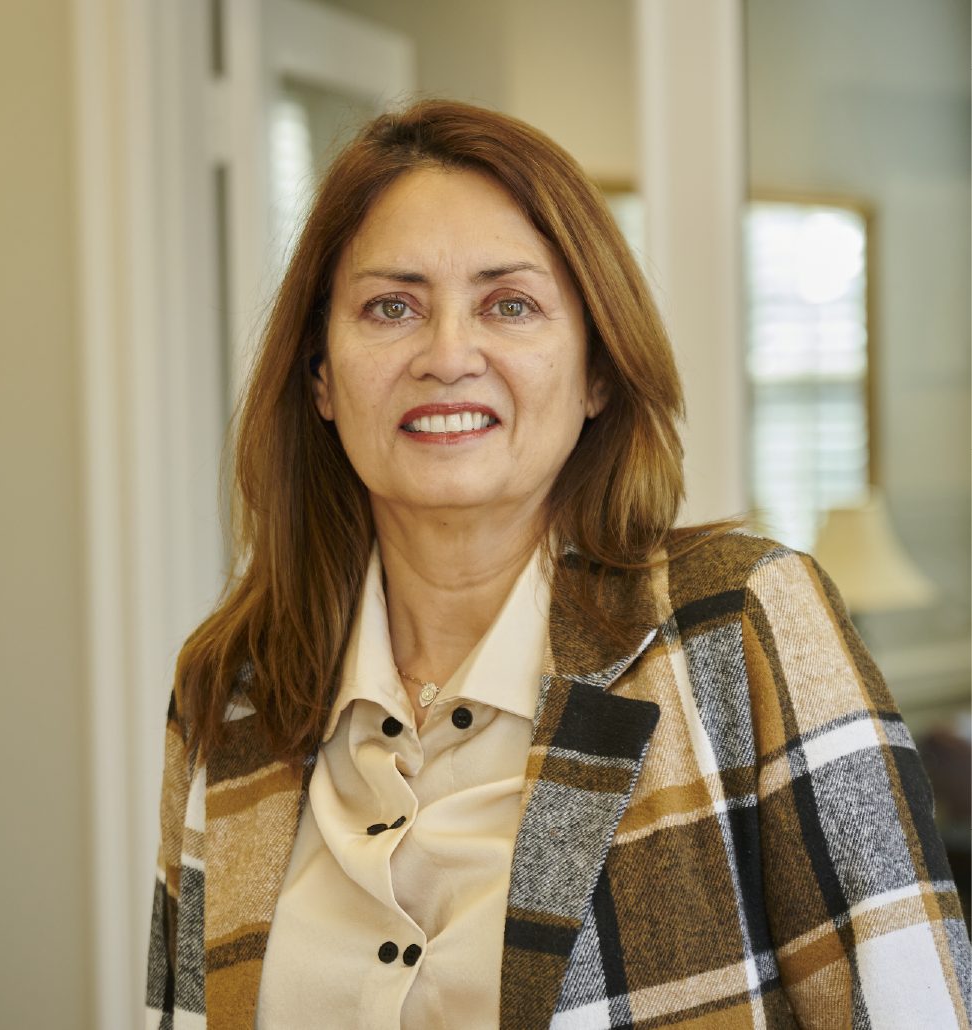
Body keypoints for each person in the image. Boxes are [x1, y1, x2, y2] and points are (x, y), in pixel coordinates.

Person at [146, 101, 972, 1030]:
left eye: (511, 304)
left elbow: (912, 1008)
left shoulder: (743, 625)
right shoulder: (231, 688)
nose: (447, 355)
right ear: (322, 377)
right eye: (391, 307)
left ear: (596, 372)